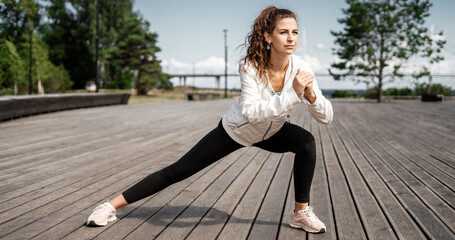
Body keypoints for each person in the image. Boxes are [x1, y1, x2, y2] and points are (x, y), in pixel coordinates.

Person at [87, 5, 333, 234]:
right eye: (283, 32)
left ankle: (301, 214)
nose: (291, 38)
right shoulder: (250, 67)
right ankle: (109, 206)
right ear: (269, 37)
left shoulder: (301, 68)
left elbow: (326, 117)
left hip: (272, 131)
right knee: (178, 171)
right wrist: (292, 94)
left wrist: (311, 97)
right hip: (237, 130)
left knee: (306, 141)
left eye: (295, 32)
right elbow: (251, 113)